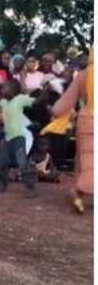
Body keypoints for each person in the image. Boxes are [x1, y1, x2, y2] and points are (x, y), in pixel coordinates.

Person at [52, 50, 93, 214]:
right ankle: (79, 191)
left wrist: (54, 111)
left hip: (87, 120)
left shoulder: (83, 75)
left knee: (86, 159)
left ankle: (79, 192)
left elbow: (64, 104)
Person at [0, 79, 39, 196]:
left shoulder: (20, 99)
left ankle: (30, 188)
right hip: (7, 136)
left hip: (19, 136)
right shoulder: (3, 102)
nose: (2, 89)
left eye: (5, 87)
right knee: (2, 162)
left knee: (22, 163)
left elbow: (35, 102)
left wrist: (43, 96)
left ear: (13, 90)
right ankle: (3, 185)